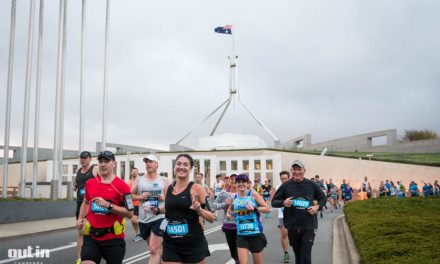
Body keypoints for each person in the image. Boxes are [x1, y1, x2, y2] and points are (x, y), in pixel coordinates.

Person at [76, 151, 134, 264]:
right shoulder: (90, 183)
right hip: (92, 237)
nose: (102, 164)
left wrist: (109, 206)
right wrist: (80, 218)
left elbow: (130, 213)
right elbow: (86, 202)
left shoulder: (122, 186)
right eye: (100, 161)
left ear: (114, 164)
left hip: (113, 239)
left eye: (106, 161)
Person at [162, 154, 216, 264]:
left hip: (193, 244)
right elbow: (168, 215)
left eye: (185, 164)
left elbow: (213, 216)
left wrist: (199, 210)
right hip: (171, 244)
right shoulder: (167, 188)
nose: (181, 167)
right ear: (174, 166)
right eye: (179, 163)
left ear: (190, 168)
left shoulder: (198, 188)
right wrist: (161, 229)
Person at [271, 160, 327, 264]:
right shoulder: (286, 185)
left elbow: (323, 198)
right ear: (291, 170)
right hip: (292, 225)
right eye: (294, 169)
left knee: (306, 256)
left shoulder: (311, 184)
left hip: (308, 225)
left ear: (304, 170)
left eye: (299, 169)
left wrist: (317, 207)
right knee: (298, 256)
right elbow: (274, 202)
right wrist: (283, 202)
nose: (297, 172)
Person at [131, 154, 170, 264]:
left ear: (156, 164)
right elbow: (130, 195)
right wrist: (140, 197)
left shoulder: (164, 180)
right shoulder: (139, 179)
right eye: (146, 161)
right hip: (144, 219)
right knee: (156, 250)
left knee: (153, 249)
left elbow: (170, 199)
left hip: (160, 218)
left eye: (150, 161)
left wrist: (164, 197)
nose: (148, 163)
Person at [227, 174, 270, 264]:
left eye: (243, 182)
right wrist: (229, 214)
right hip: (241, 235)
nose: (241, 184)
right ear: (235, 184)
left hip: (255, 234)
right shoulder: (234, 197)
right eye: (239, 182)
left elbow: (267, 209)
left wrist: (255, 208)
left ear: (247, 183)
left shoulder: (253, 194)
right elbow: (230, 210)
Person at [73, 151, 99, 264]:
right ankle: (79, 258)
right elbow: (76, 184)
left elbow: (104, 179)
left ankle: (92, 255)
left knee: (91, 231)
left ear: (90, 159)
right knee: (81, 231)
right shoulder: (78, 171)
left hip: (92, 204)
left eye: (85, 158)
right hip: (80, 204)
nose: (82, 159)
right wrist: (75, 187)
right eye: (81, 158)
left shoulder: (95, 169)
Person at [214, 174, 239, 263]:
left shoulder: (243, 193)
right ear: (230, 181)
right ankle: (236, 260)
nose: (234, 181)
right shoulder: (224, 193)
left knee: (240, 249)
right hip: (229, 225)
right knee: (233, 250)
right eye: (232, 179)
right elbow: (214, 205)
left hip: (241, 225)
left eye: (236, 179)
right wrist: (225, 204)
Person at [271, 170, 291, 264]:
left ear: (289, 178)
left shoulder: (293, 187)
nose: (284, 180)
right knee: (284, 235)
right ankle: (286, 253)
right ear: (280, 179)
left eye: (286, 178)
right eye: (282, 179)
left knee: (295, 235)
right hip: (282, 215)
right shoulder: (277, 188)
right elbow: (273, 201)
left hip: (294, 215)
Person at [127, 168, 142, 242]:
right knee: (132, 221)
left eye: (136, 172)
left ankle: (147, 225)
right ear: (131, 173)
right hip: (130, 205)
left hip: (138, 204)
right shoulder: (129, 182)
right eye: (133, 171)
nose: (134, 173)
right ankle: (138, 233)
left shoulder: (140, 181)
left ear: (137, 173)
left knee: (134, 219)